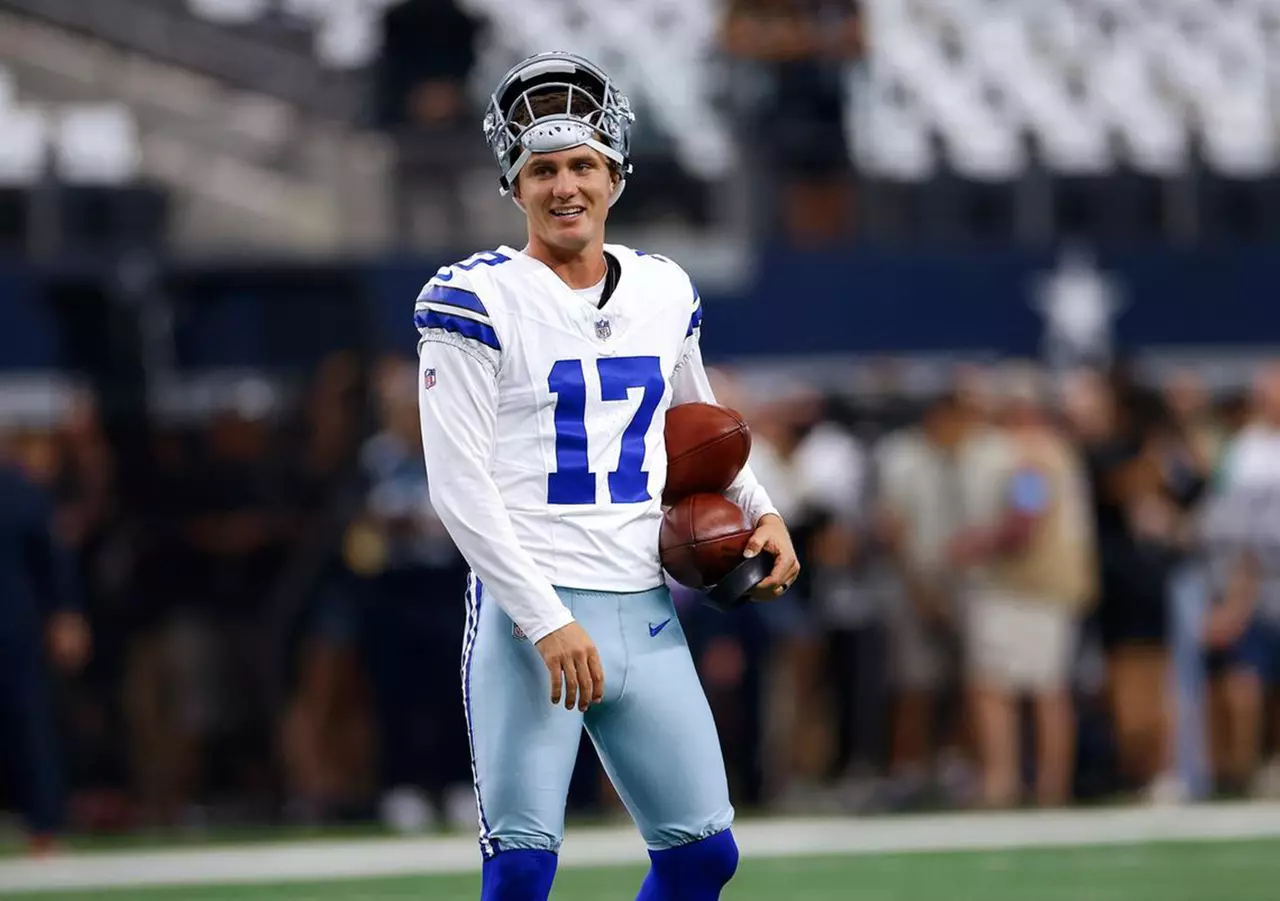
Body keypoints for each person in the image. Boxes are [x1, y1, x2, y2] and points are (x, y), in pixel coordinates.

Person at [413, 52, 800, 901]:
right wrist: (546, 619)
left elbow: (699, 425)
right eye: (542, 169)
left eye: (582, 165)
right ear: (513, 185)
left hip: (641, 602)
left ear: (616, 175)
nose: (565, 187)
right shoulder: (474, 299)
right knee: (521, 871)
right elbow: (457, 485)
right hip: (531, 613)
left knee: (702, 856)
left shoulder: (662, 288)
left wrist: (761, 510)